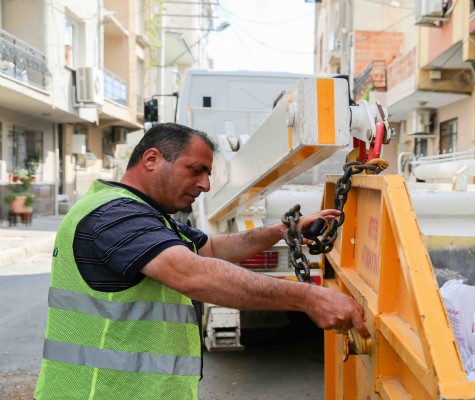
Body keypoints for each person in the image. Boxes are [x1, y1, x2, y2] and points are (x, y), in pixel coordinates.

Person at [34, 123, 369, 399]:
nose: (206, 185)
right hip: (100, 392)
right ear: (151, 159)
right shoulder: (115, 215)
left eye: (208, 173)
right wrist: (308, 297)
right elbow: (193, 275)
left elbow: (211, 249)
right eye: (196, 170)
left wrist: (280, 230)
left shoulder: (146, 215)